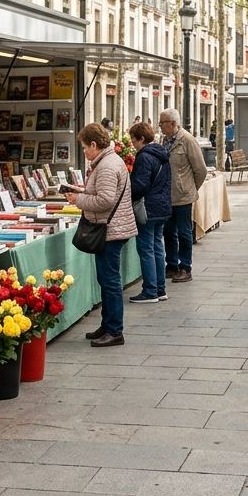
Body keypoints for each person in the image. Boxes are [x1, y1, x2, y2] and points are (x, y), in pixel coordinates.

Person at [66, 122, 137, 347]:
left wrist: (79, 200)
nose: (85, 153)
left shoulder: (106, 165)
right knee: (106, 279)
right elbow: (105, 193)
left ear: (95, 144)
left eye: (85, 148)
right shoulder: (109, 160)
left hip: (110, 229)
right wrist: (83, 192)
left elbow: (106, 200)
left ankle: (114, 330)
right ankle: (108, 325)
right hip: (113, 227)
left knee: (110, 281)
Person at [158, 108, 207, 283]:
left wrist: (189, 188)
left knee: (184, 232)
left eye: (162, 122)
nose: (160, 126)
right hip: (167, 196)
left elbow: (200, 169)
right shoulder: (165, 140)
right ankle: (171, 265)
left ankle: (186, 267)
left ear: (172, 123)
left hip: (183, 197)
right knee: (168, 231)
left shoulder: (187, 140)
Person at [127, 121, 172, 303]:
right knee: (157, 247)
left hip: (148, 208)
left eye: (133, 140)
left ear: (141, 139)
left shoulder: (144, 157)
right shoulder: (162, 154)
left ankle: (150, 291)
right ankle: (160, 289)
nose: (132, 143)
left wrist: (128, 188)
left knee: (146, 249)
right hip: (162, 206)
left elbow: (140, 185)